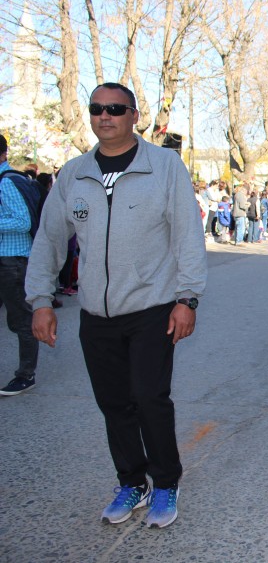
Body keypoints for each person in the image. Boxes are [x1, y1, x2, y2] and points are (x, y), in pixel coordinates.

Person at [25, 82, 207, 528]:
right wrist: (41, 300)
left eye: (115, 109)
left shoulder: (164, 166)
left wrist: (187, 298)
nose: (105, 116)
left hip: (152, 308)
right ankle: (132, 481)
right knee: (114, 403)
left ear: (134, 116)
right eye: (97, 109)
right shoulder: (74, 174)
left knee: (148, 398)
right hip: (96, 316)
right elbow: (49, 240)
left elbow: (187, 234)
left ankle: (165, 482)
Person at [0, 134, 40, 396]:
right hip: (7, 260)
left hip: (12, 260)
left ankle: (26, 375)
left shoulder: (6, 182)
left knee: (21, 320)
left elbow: (23, 222)